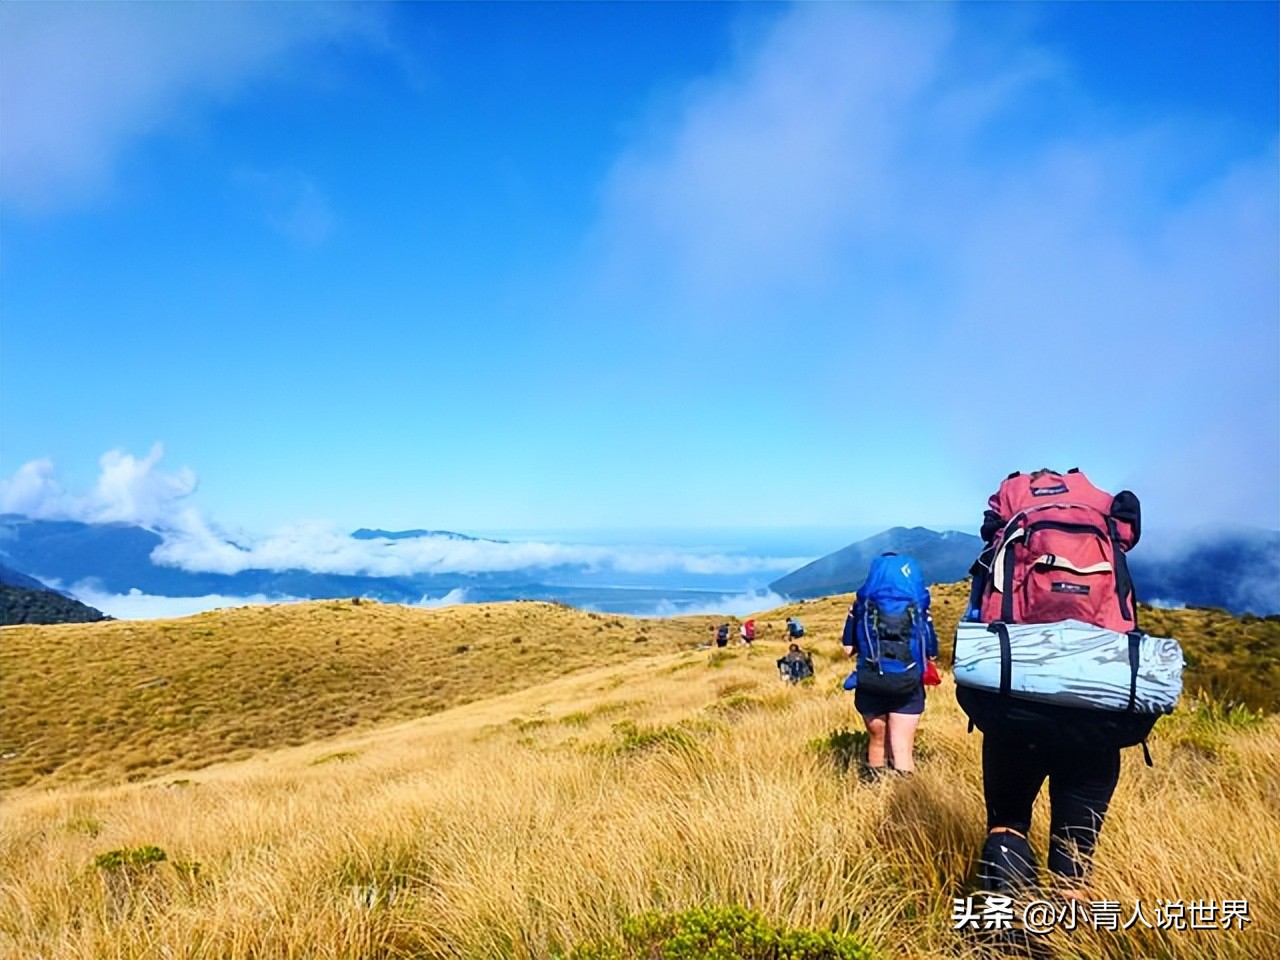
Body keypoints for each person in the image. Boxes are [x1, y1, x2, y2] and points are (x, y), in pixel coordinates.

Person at [842, 552, 938, 777]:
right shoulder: (918, 608)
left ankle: (875, 792)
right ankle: (904, 800)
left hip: (870, 681)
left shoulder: (861, 606)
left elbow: (848, 650)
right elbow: (931, 653)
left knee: (877, 741)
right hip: (907, 682)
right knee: (902, 747)